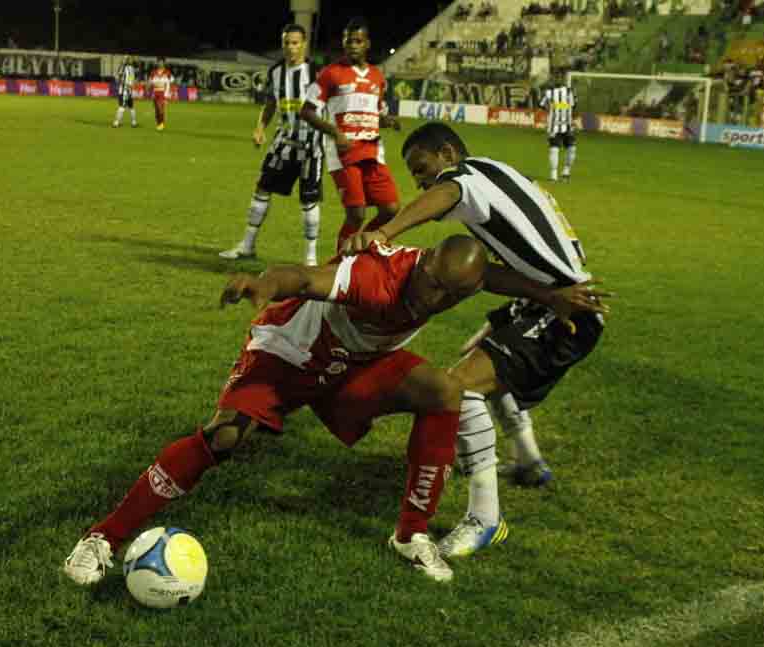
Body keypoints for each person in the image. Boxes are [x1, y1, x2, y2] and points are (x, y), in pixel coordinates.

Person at [63, 235, 604, 585]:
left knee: (443, 391)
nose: (435, 299)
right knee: (225, 437)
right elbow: (304, 279)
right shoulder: (379, 277)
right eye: (433, 285)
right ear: (424, 263)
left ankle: (411, 535)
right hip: (289, 353)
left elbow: (491, 276)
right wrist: (263, 283)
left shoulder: (455, 279)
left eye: (450, 295)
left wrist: (551, 297)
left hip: (355, 365)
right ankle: (102, 538)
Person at [343, 122, 611, 558]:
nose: (421, 181)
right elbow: (496, 266)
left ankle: (485, 519)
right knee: (481, 361)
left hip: (565, 310)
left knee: (460, 387)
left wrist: (385, 232)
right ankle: (529, 462)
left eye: (422, 168)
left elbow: (449, 191)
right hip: (546, 299)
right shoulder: (497, 175)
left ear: (448, 154)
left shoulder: (466, 178)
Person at [219, 24, 324, 267]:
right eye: (287, 43)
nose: (291, 47)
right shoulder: (276, 71)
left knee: (308, 200)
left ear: (304, 44)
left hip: (311, 147)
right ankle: (247, 245)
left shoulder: (317, 72)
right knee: (262, 188)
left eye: (295, 43)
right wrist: (259, 128)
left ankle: (310, 259)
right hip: (283, 143)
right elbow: (269, 105)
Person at [300, 17, 402, 253]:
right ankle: (340, 263)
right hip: (343, 152)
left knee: (391, 209)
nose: (353, 45)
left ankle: (362, 246)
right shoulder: (330, 73)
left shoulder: (377, 76)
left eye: (358, 41)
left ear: (367, 44)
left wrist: (387, 120)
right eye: (349, 41)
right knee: (356, 214)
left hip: (373, 151)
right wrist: (336, 133)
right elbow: (306, 111)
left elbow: (376, 113)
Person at [539, 72, 577, 181]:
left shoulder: (570, 92)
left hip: (567, 125)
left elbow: (573, 106)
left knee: (571, 149)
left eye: (560, 78)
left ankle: (566, 172)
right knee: (554, 149)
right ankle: (554, 175)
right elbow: (541, 105)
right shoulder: (549, 93)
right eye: (557, 78)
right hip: (554, 126)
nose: (559, 80)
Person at [148, 57, 174, 131]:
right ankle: (158, 123)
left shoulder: (167, 72)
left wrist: (168, 94)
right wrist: (149, 88)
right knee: (156, 110)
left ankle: (161, 124)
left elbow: (171, 82)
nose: (160, 64)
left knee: (160, 109)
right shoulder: (153, 72)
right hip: (155, 92)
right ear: (157, 63)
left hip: (163, 92)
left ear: (164, 63)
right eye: (159, 62)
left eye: (161, 62)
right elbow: (150, 82)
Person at [113, 57, 138, 128]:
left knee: (121, 106)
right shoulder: (132, 68)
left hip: (124, 90)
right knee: (131, 106)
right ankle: (134, 122)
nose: (123, 61)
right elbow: (133, 79)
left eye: (124, 60)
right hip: (130, 90)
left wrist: (118, 81)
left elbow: (118, 77)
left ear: (125, 61)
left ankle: (117, 122)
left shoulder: (124, 68)